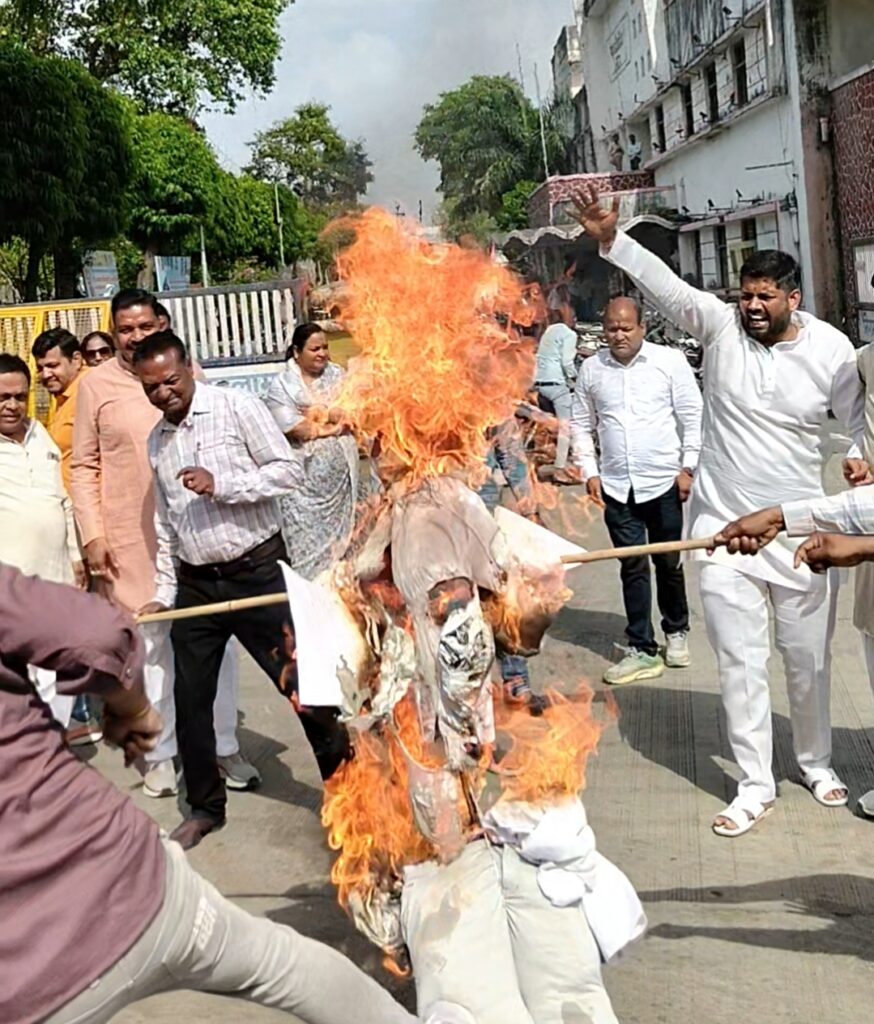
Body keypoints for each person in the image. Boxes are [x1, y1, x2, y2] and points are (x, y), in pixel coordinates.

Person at [571, 182, 864, 837]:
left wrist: (861, 458)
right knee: (739, 660)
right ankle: (755, 782)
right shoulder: (720, 326)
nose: (753, 306)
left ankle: (815, 763)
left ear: (795, 299)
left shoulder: (832, 353)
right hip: (723, 529)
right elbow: (670, 289)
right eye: (746, 295)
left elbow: (861, 423)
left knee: (808, 658)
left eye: (765, 297)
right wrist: (611, 239)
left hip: (801, 530)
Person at [0, 563, 417, 1024]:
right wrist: (131, 707)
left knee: (281, 965)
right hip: (133, 890)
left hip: (35, 983)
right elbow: (97, 633)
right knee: (281, 965)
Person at [134, 331, 350, 849]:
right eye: (151, 388)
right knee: (190, 702)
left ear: (189, 367)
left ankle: (351, 796)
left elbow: (287, 473)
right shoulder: (157, 442)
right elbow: (167, 526)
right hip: (197, 586)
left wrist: (224, 486)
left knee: (307, 691)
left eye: (170, 381)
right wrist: (165, 594)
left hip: (256, 573)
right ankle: (206, 808)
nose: (164, 394)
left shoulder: (237, 407)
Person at [72, 288, 252, 800]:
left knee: (215, 645)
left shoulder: (188, 375)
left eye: (144, 327)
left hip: (198, 532)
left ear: (163, 323)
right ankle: (159, 754)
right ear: (113, 333)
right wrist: (93, 535)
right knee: (149, 651)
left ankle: (223, 747)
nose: (135, 337)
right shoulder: (96, 387)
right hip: (133, 540)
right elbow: (84, 467)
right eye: (124, 330)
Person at [571, 295, 702, 685]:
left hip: (664, 482)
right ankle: (641, 646)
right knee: (632, 565)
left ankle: (676, 631)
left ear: (642, 327)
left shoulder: (669, 362)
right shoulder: (592, 370)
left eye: (626, 327)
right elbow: (580, 423)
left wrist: (688, 466)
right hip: (616, 486)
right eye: (612, 328)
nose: (619, 335)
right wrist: (589, 470)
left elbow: (692, 414)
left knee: (668, 562)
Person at [0, 353, 84, 729]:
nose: (12, 405)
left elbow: (62, 501)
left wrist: (76, 558)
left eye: (19, 396)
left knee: (53, 677)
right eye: (2, 397)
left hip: (55, 583)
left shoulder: (41, 436)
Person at [265, 323, 359, 580]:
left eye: (325, 348)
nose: (322, 354)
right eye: (315, 348)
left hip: (343, 488)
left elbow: (355, 414)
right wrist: (330, 420)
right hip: (303, 494)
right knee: (308, 561)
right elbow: (296, 428)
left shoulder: (338, 376)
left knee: (348, 557)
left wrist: (325, 417)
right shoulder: (282, 387)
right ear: (297, 352)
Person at [31, 327, 88, 494]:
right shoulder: (62, 395)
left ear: (76, 360)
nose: (46, 374)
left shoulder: (91, 392)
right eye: (40, 368)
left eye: (52, 366)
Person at [535, 310, 579, 484]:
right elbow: (567, 362)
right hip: (556, 385)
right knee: (565, 427)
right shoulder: (569, 334)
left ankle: (540, 462)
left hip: (540, 383)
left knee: (544, 427)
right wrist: (575, 377)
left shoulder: (549, 331)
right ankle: (560, 468)